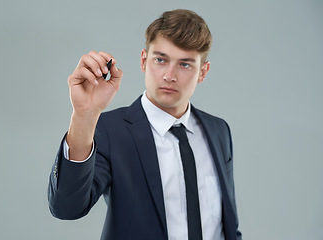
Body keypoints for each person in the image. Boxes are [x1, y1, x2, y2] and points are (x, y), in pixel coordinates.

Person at [48, 9, 242, 240]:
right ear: (143, 60)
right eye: (160, 60)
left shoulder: (218, 130)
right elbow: (67, 208)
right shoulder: (110, 130)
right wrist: (84, 116)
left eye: (185, 65)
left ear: (203, 72)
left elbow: (223, 222)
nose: (169, 75)